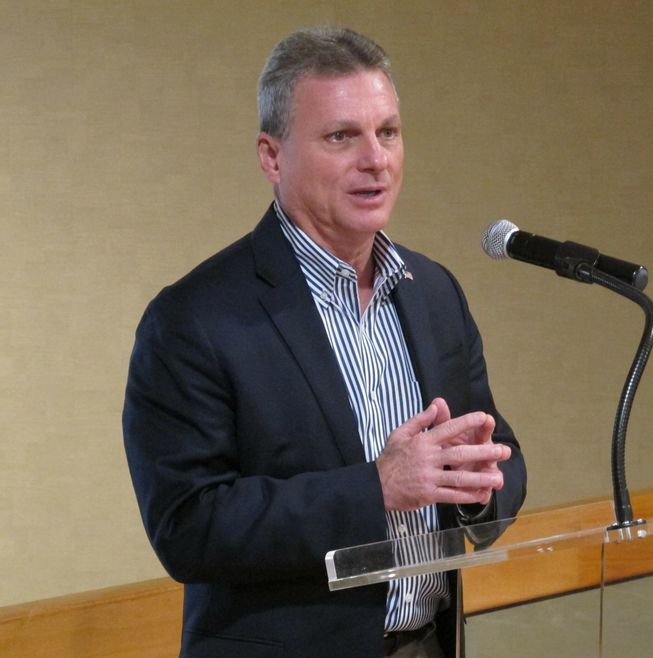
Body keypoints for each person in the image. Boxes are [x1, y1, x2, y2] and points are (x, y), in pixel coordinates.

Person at [123, 26, 526, 658]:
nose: (377, 159)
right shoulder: (193, 320)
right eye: (342, 137)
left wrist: (479, 489)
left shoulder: (434, 292)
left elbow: (493, 449)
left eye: (388, 132)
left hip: (428, 644)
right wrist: (379, 488)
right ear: (272, 156)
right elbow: (189, 527)